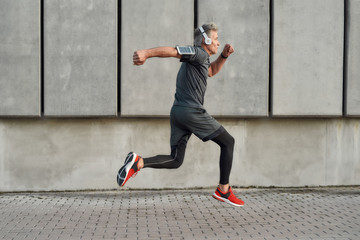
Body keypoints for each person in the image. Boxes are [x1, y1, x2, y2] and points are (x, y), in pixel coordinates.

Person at [117, 23, 244, 207]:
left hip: (178, 112)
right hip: (191, 111)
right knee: (228, 142)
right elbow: (173, 50)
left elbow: (211, 72)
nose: (218, 42)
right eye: (215, 39)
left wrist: (224, 56)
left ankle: (138, 162)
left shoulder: (201, 60)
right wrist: (146, 53)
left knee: (176, 159)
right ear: (205, 40)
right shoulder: (197, 53)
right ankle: (223, 190)